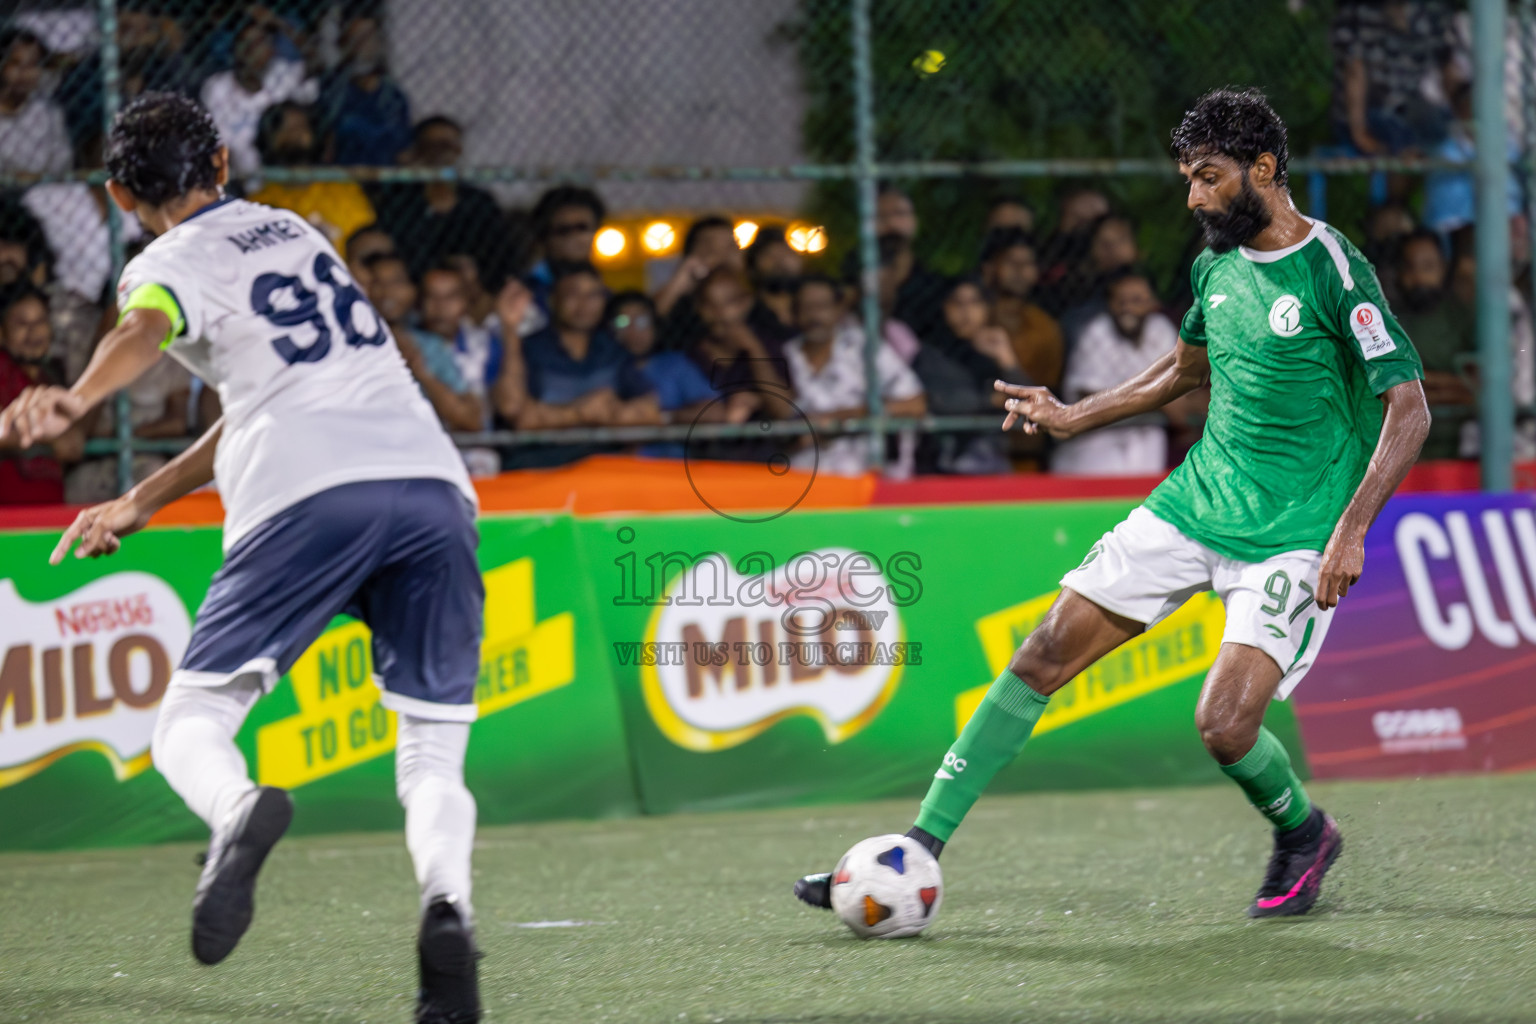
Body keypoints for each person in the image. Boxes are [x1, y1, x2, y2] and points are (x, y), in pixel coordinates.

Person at [794, 88, 1430, 920]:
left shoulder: (1331, 268)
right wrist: (1072, 412)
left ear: (1264, 170)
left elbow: (1409, 407)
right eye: (1187, 178)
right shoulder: (1215, 266)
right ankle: (920, 843)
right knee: (1041, 655)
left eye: (1208, 177)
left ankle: (1304, 830)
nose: (1194, 197)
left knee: (1225, 725)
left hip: (1298, 531)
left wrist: (1350, 532)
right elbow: (1184, 369)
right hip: (1194, 503)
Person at [0, 93, 483, 1022]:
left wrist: (76, 402)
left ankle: (234, 814)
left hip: (304, 491)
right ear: (221, 162)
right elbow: (261, 397)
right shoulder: (297, 232)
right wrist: (139, 499)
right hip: (432, 484)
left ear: (115, 195)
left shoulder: (163, 263)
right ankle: (448, 911)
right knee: (430, 750)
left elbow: (140, 330)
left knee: (192, 719)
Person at [494, 263, 657, 466]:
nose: (584, 304)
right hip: (542, 467)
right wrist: (580, 412)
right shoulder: (531, 349)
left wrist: (550, 417)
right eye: (573, 294)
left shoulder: (612, 349)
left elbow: (650, 412)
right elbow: (516, 414)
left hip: (603, 467)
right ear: (553, 300)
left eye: (593, 295)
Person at [783, 274, 927, 478]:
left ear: (839, 309)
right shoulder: (785, 355)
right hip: (801, 478)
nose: (814, 316)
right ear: (793, 313)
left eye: (822, 306)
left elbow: (915, 404)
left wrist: (841, 419)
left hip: (867, 474)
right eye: (806, 307)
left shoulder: (864, 348)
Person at [1051, 268, 1180, 476]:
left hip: (1145, 434)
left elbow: (1178, 394)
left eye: (1136, 300)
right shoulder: (1097, 331)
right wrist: (1154, 399)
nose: (1127, 308)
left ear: (1153, 303)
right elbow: (1089, 398)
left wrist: (1156, 401)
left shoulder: (1161, 329)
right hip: (1098, 439)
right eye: (1120, 301)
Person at [607, 290, 746, 459]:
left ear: (655, 325)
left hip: (671, 467)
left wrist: (662, 418)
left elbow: (714, 412)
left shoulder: (674, 364)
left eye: (642, 321)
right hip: (614, 470)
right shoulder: (602, 369)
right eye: (623, 322)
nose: (633, 330)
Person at [377, 116, 506, 280]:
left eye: (446, 145)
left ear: (458, 149)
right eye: (431, 145)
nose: (440, 152)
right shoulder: (400, 201)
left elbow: (497, 251)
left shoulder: (479, 202)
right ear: (418, 150)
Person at [199, 14, 318, 179]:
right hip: (240, 177)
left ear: (271, 50)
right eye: (245, 43)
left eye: (260, 42)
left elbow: (315, 61)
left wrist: (278, 23)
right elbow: (224, 146)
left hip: (284, 168)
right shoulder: (217, 87)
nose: (252, 50)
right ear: (235, 49)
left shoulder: (283, 73)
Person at [1331, 0, 1454, 156]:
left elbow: (1447, 67)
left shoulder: (1428, 13)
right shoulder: (1358, 12)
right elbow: (1354, 72)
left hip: (1412, 108)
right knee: (1401, 141)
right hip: (1367, 113)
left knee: (1446, 132)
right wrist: (1359, 132)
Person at [1391, 230, 1474, 460]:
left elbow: (1478, 390)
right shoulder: (1387, 321)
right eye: (1410, 267)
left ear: (1443, 268)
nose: (1418, 277)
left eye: (1427, 267)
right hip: (1402, 453)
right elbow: (1389, 395)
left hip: (1463, 447)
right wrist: (1452, 386)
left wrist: (1420, 383)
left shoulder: (1461, 316)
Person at [249, 102, 376, 250]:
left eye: (301, 125)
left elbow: (367, 244)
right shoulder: (258, 203)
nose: (293, 133)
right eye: (284, 128)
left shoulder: (343, 189)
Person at [0, 283, 85, 504]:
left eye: (40, 322)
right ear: (2, 332)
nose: (34, 332)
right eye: (21, 323)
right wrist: (50, 439)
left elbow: (73, 444)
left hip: (49, 515)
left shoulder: (49, 379)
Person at [316, 14, 413, 167]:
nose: (361, 44)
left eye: (367, 37)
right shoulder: (330, 90)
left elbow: (402, 149)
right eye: (354, 38)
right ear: (343, 43)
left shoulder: (394, 97)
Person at [980, 227, 1062, 391]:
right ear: (989, 269)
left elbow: (1048, 388)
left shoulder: (1045, 327)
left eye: (1027, 263)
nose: (1020, 269)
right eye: (1011, 262)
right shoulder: (973, 317)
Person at [525, 185, 604, 316]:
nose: (574, 236)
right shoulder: (527, 294)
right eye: (563, 230)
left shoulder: (604, 293)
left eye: (582, 228)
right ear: (544, 236)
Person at [0, 27, 70, 175]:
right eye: (16, 64)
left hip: (45, 189)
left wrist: (36, 178)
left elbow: (62, 161)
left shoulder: (49, 111)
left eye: (33, 65)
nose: (25, 74)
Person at [744, 225, 802, 346]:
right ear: (752, 268)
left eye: (785, 253)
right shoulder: (745, 317)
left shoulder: (817, 310)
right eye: (769, 255)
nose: (779, 261)